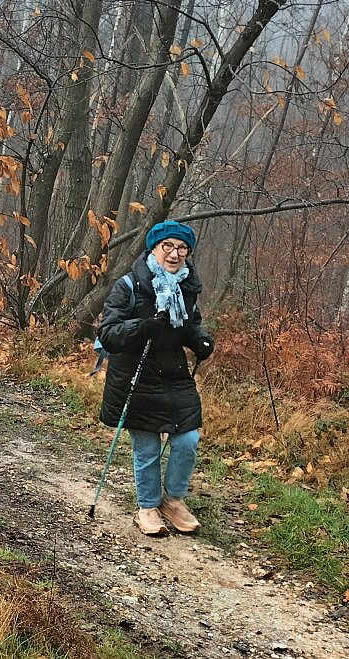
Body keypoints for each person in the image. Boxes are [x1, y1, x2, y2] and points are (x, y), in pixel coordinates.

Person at [96, 220, 215, 537]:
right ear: (154, 248)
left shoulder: (187, 287)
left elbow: (190, 325)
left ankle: (173, 501)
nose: (175, 254)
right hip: (136, 376)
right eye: (168, 246)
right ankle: (147, 507)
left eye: (182, 248)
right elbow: (108, 334)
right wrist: (142, 327)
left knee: (188, 440)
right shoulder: (129, 285)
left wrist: (200, 340)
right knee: (147, 447)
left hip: (174, 375)